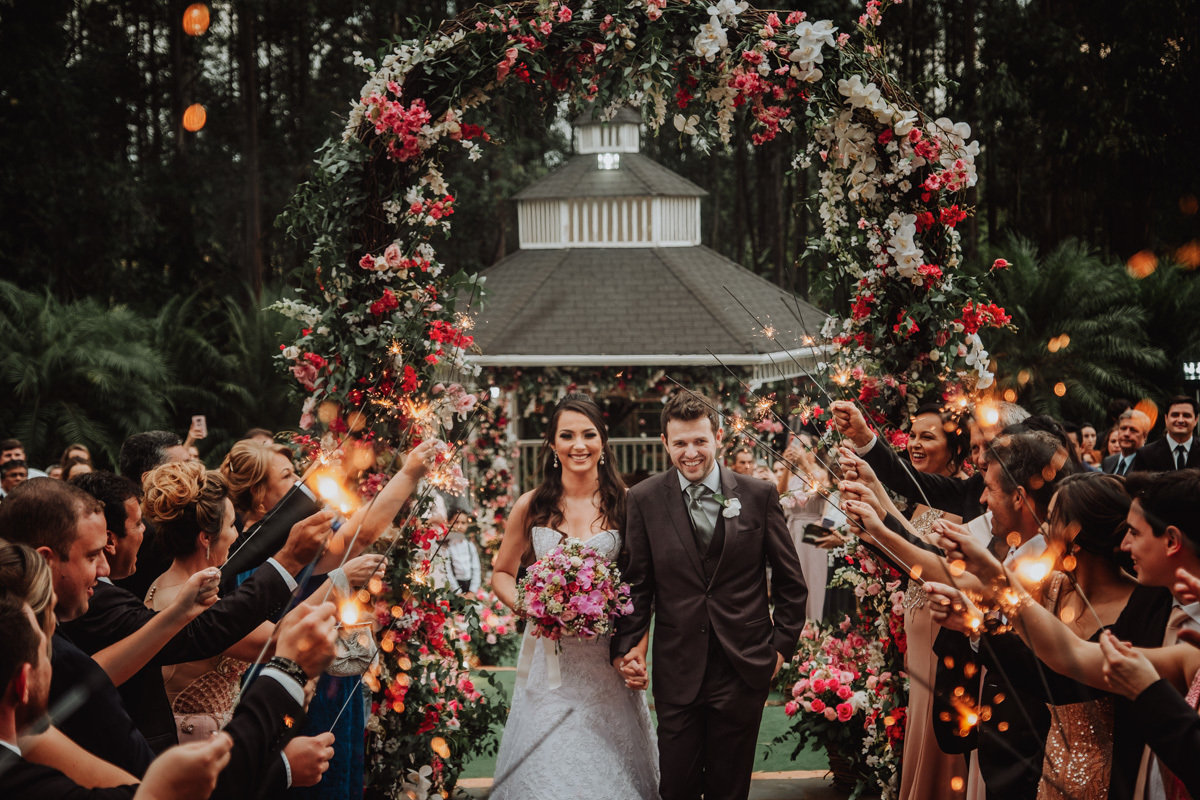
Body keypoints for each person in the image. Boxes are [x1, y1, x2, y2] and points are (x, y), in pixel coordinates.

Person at [612, 390, 808, 800]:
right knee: (677, 788)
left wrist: (779, 650)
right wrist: (626, 648)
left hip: (744, 665)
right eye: (680, 442)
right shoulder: (643, 499)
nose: (690, 453)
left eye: (700, 440)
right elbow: (637, 584)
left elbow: (791, 582)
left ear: (718, 437)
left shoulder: (758, 495)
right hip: (678, 667)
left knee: (728, 790)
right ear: (665, 443)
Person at [489, 394, 659, 799]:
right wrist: (533, 607)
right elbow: (501, 573)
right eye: (566, 435)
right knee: (547, 772)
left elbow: (643, 588)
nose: (578, 445)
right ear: (552, 444)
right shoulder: (531, 506)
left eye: (588, 434)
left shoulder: (627, 504)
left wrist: (638, 649)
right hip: (549, 663)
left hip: (607, 662)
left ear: (603, 441)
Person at [775, 438, 831, 620]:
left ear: (813, 449)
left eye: (801, 445)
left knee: (812, 579)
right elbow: (779, 495)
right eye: (793, 445)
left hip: (812, 532)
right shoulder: (792, 475)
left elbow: (823, 492)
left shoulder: (820, 472)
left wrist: (805, 463)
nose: (796, 449)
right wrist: (787, 466)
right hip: (792, 531)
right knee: (794, 581)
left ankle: (814, 623)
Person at [1131, 396, 1199, 472]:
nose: (1180, 420)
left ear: (1196, 420)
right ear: (1166, 419)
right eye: (1175, 415)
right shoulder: (1146, 454)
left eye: (1186, 415)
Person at [442, 510, 482, 594]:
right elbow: (447, 571)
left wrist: (472, 590)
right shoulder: (447, 546)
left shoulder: (469, 545)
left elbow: (476, 568)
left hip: (469, 586)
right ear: (449, 522)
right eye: (456, 522)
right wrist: (457, 592)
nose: (459, 526)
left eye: (463, 523)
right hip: (455, 588)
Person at [1101, 409, 1150, 476]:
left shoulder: (1149, 464)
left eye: (1133, 430)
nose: (1126, 434)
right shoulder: (1108, 461)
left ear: (1144, 436)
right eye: (1123, 428)